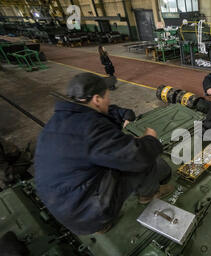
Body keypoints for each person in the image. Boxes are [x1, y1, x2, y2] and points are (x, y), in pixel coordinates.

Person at [34, 73, 173, 235]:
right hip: (89, 212)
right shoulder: (90, 127)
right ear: (97, 100)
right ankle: (149, 195)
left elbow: (103, 122)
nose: (109, 100)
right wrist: (150, 139)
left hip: (68, 213)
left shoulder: (59, 121)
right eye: (107, 96)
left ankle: (102, 226)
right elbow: (137, 156)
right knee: (142, 158)